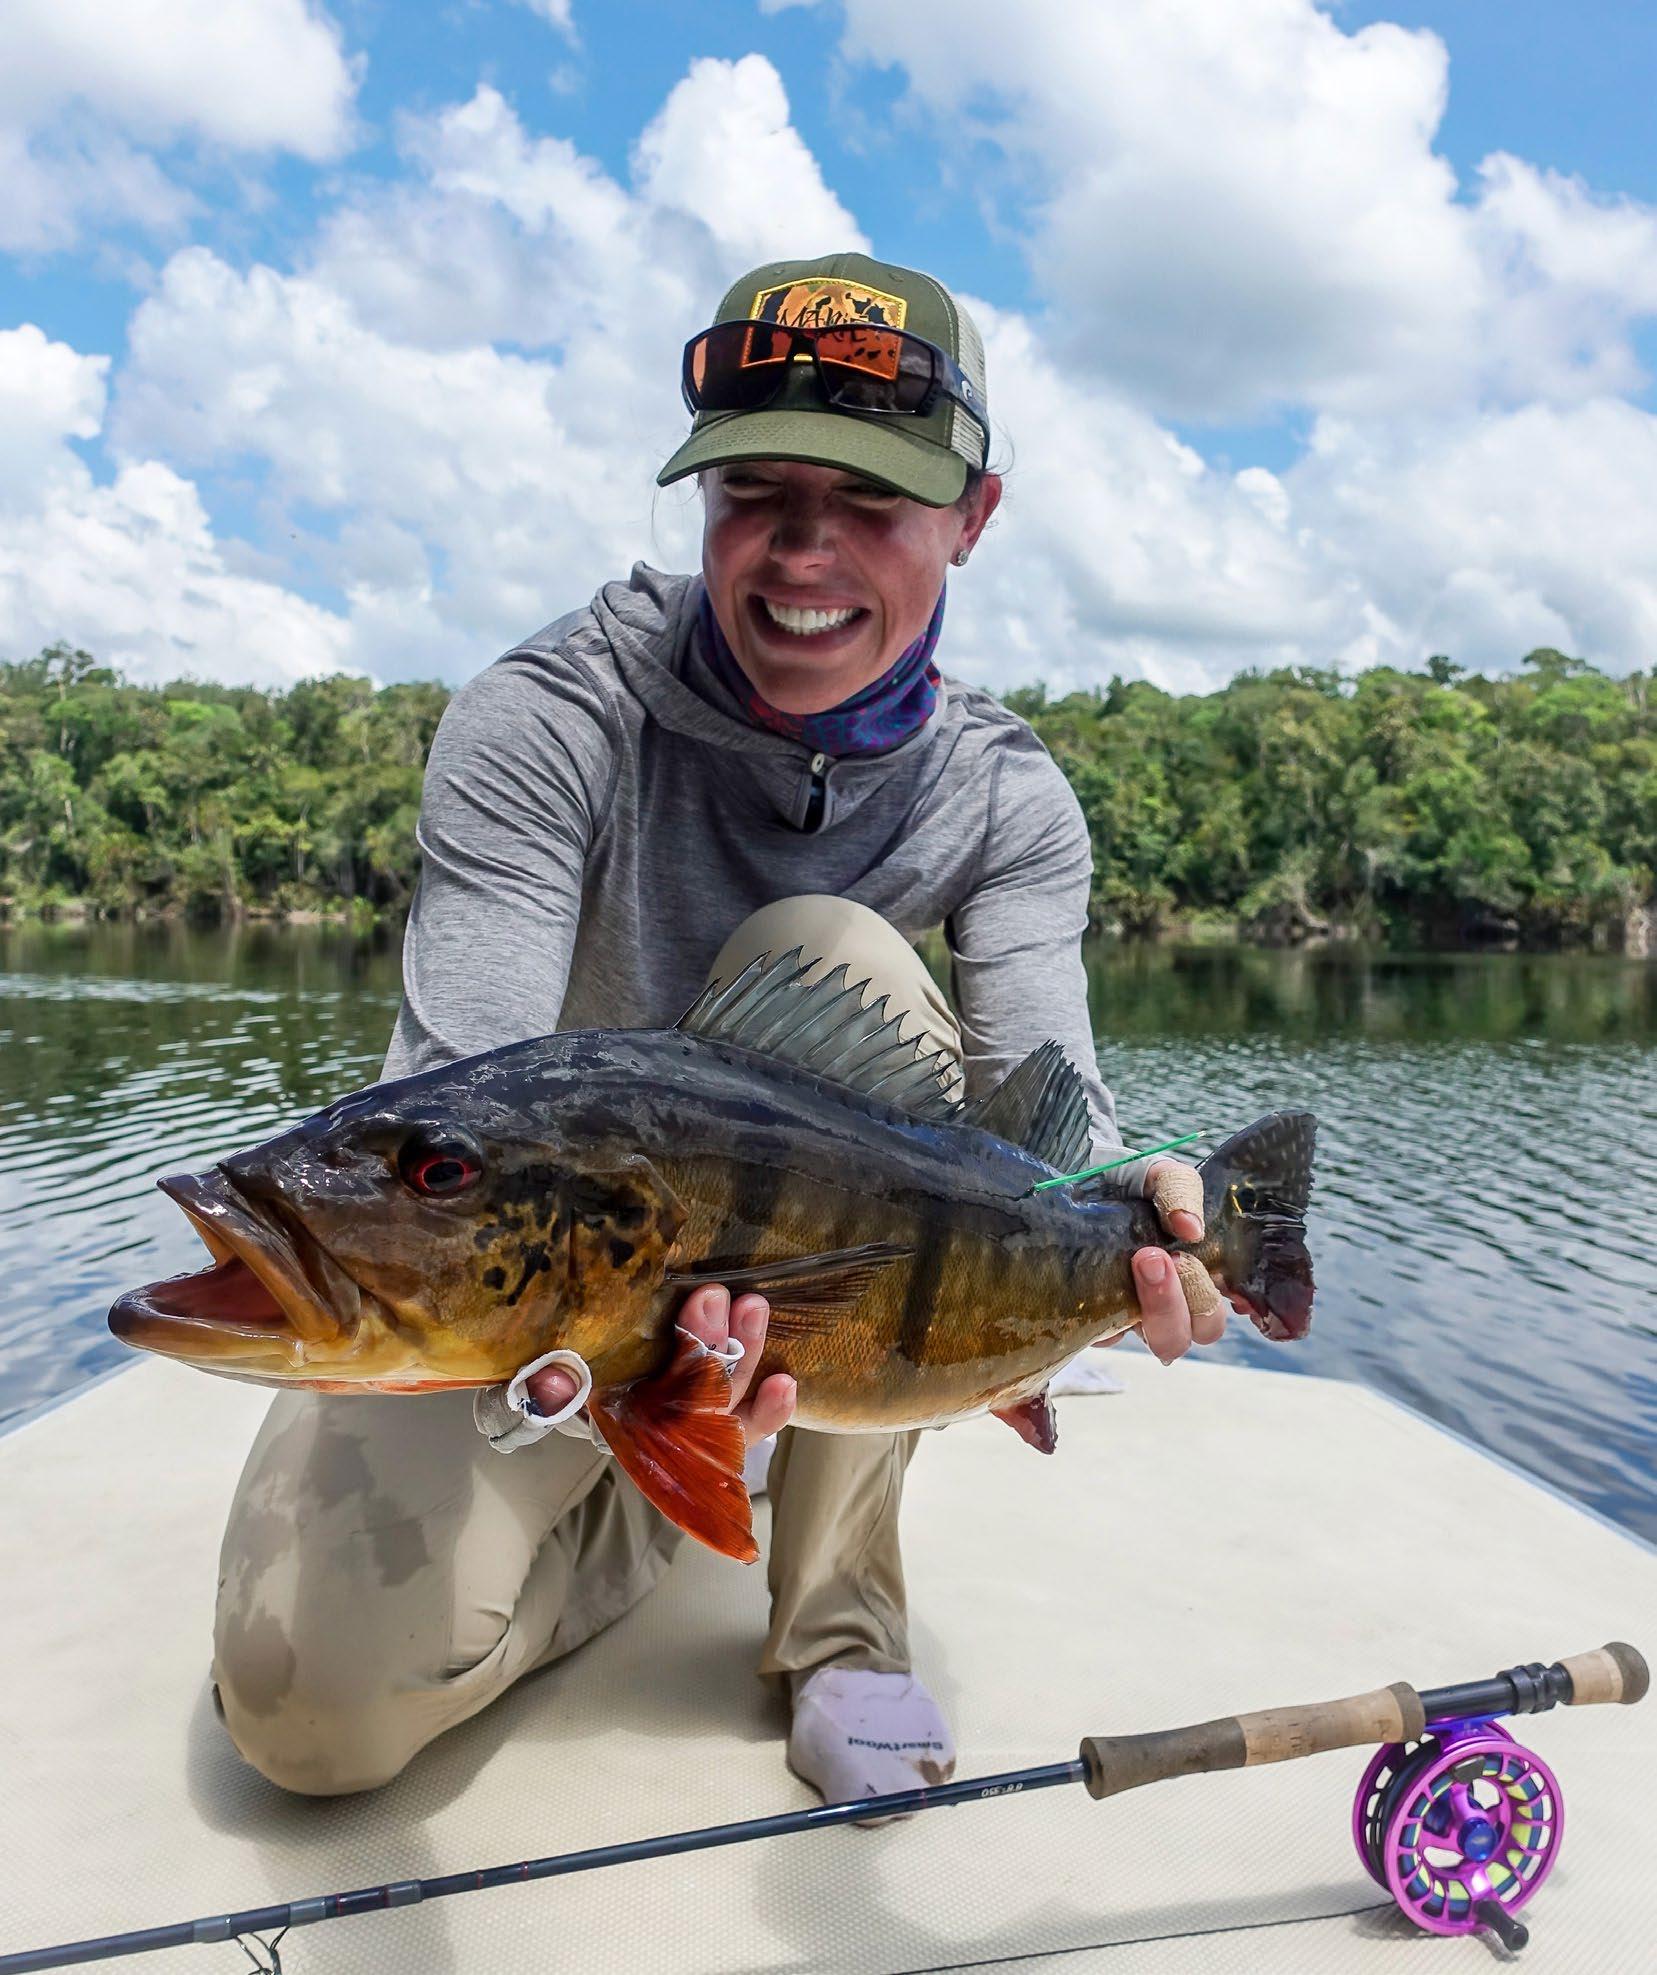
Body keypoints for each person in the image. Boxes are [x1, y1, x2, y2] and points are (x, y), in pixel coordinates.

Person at [213, 251, 1242, 1809]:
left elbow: (1057, 1118)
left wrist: (1154, 1209)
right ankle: (637, 1511)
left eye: (871, 505)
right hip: (542, 1302)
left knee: (840, 950)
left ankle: (838, 1628)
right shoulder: (548, 717)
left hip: (836, 1288)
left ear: (972, 515)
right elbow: (454, 1095)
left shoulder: (1008, 800)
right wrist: (571, 1378)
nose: (799, 552)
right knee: (308, 1723)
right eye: (752, 491)